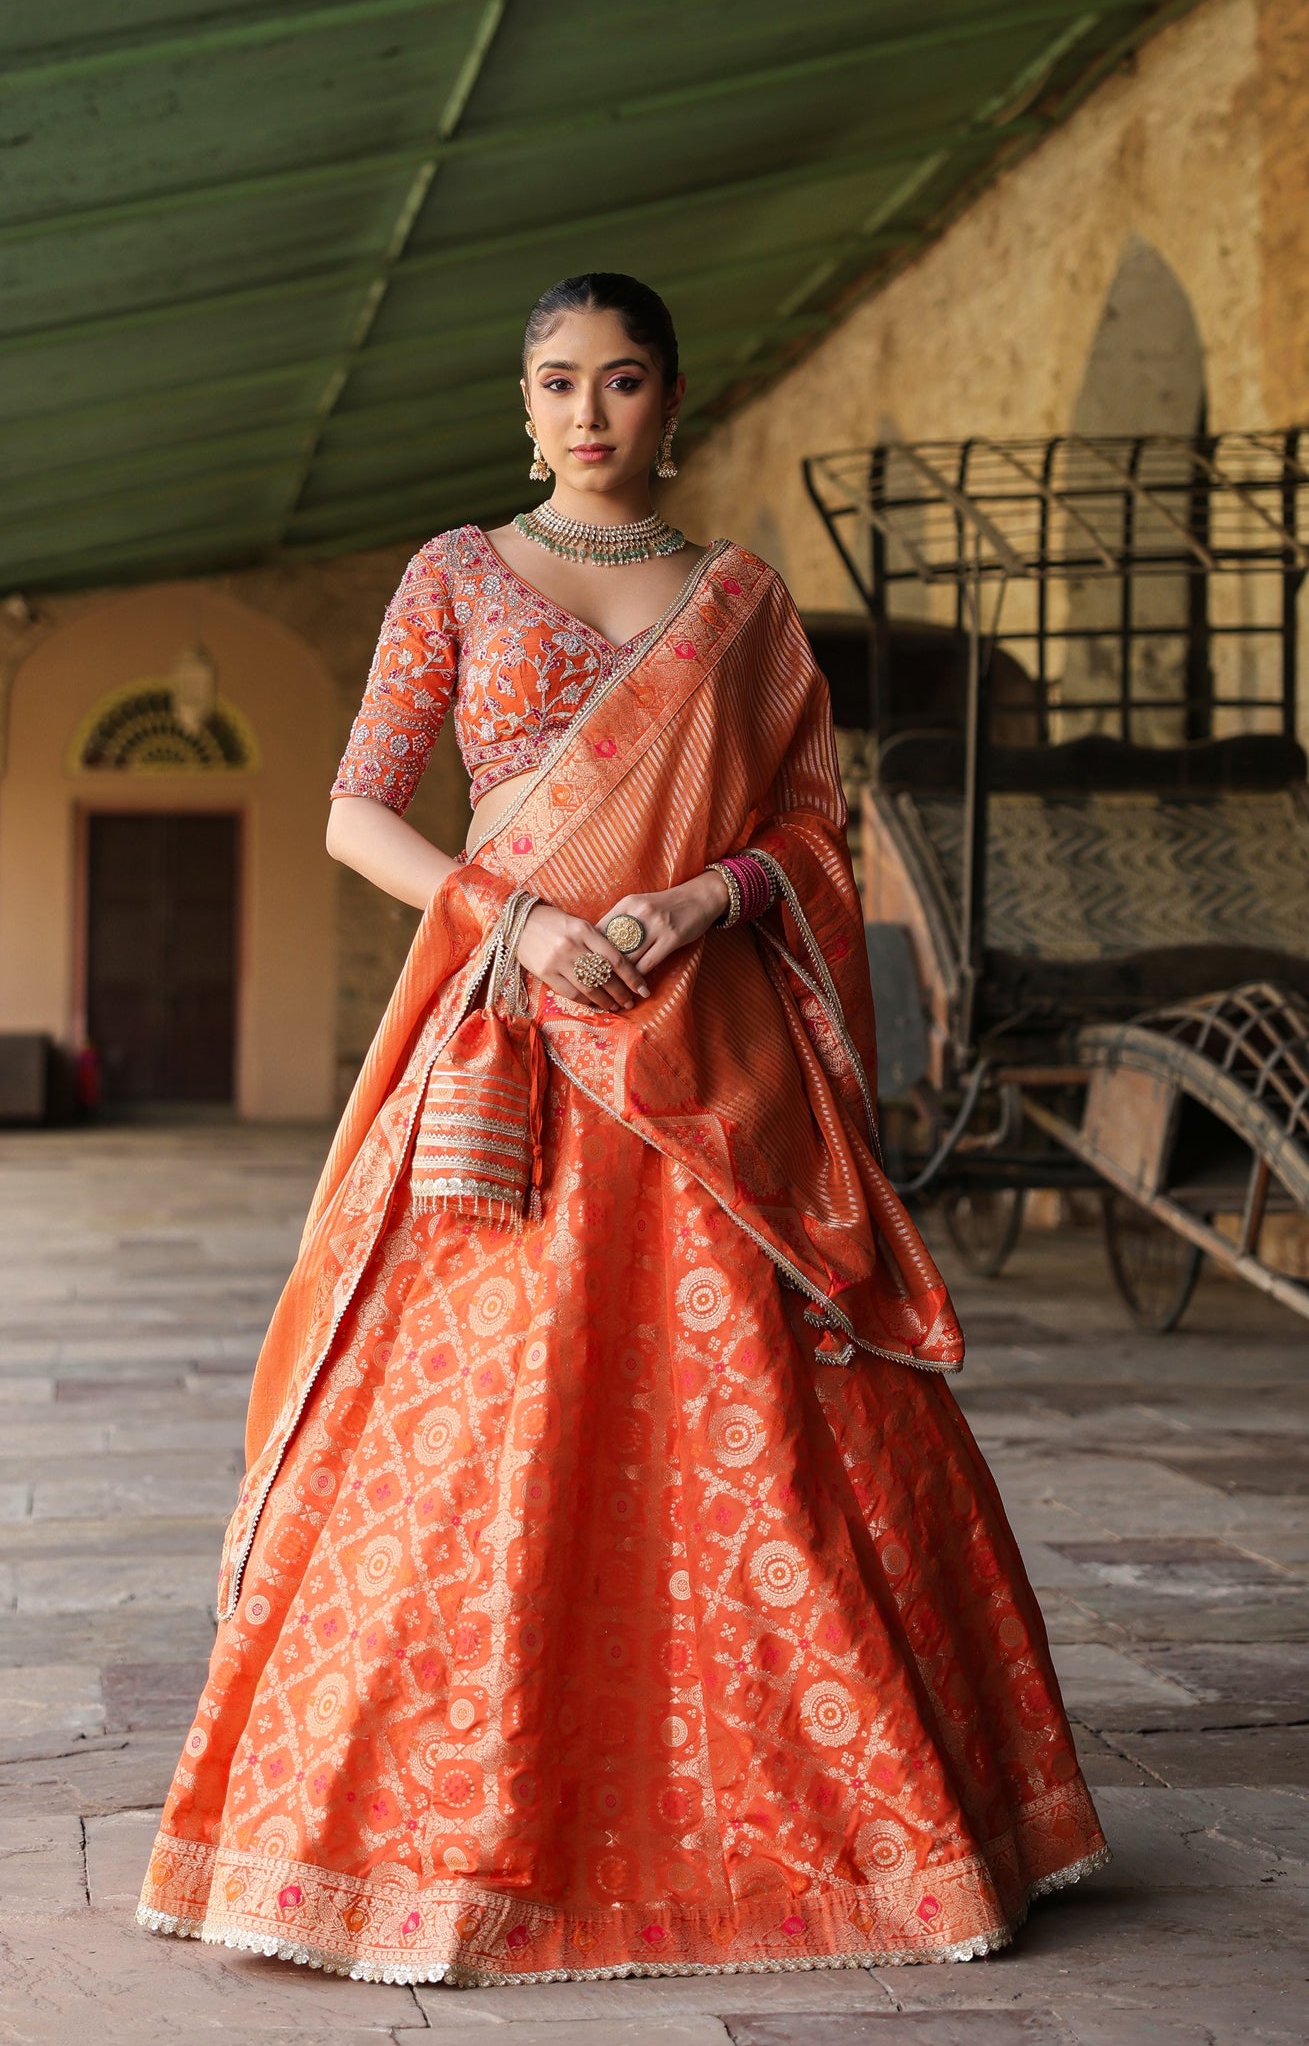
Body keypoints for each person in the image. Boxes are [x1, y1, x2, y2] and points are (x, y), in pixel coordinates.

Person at [138, 272, 1107, 1985]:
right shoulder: (454, 573)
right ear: (522, 407)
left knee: (771, 1436)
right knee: (473, 1435)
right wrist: (510, 922)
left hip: (708, 1057)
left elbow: (805, 830)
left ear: (671, 400)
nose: (589, 413)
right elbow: (358, 811)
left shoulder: (740, 603)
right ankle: (438, 1840)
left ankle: (849, 1831)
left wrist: (695, 903)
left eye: (624, 379)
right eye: (559, 382)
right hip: (518, 1042)